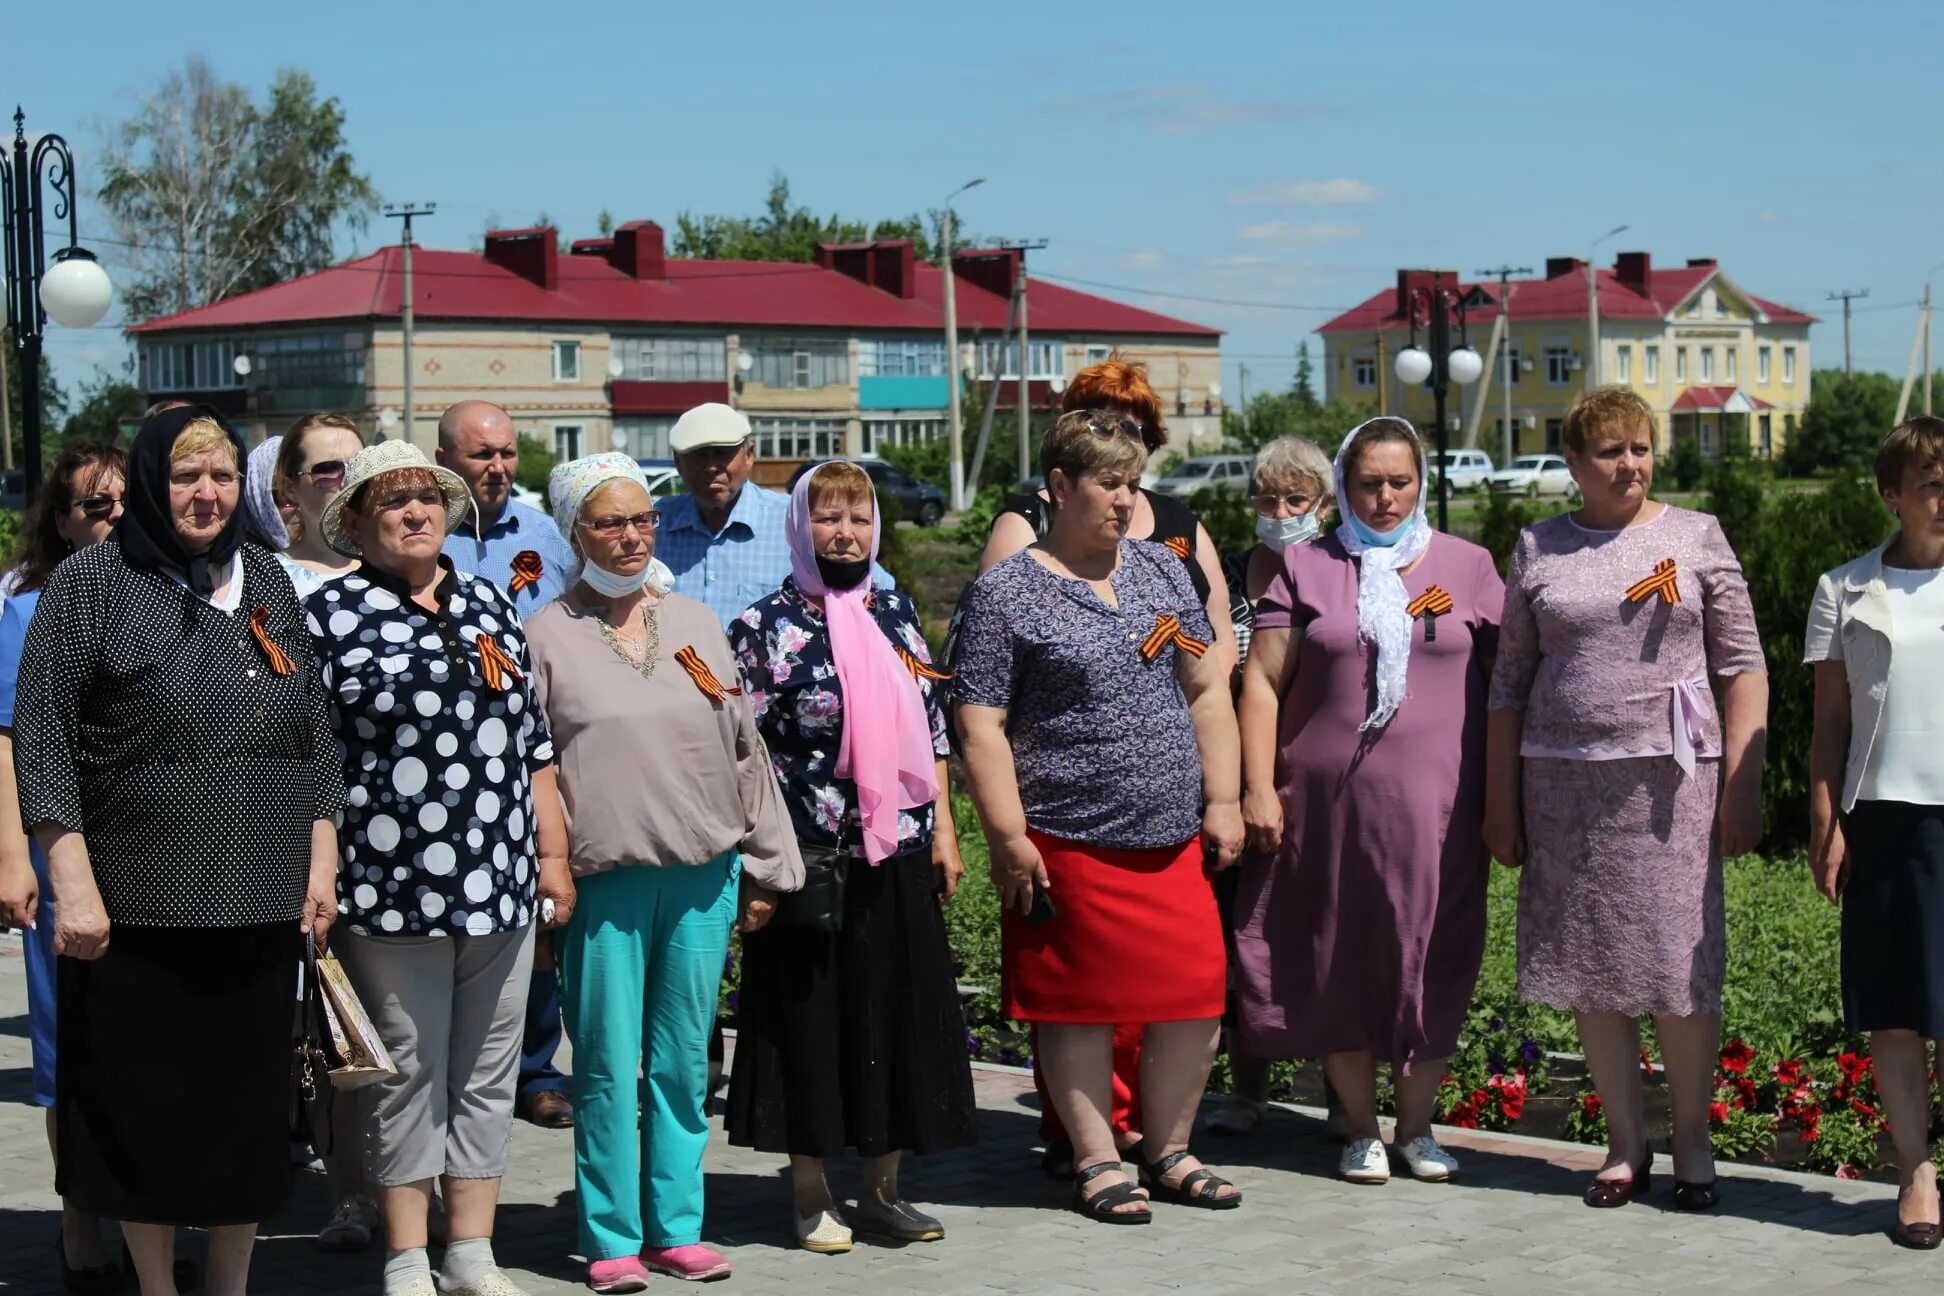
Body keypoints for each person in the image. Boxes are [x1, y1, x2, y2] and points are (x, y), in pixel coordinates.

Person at [12, 405, 344, 1296]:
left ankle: (229, 1284)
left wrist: (321, 858)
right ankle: (157, 1287)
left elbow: (315, 734)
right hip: (135, 909)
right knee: (144, 1116)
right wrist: (69, 880)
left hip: (259, 904)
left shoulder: (267, 581)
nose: (206, 494)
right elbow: (42, 738)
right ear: (154, 485)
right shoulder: (91, 583)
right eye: (186, 476)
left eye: (223, 477)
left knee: (242, 1119)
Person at [955, 409, 1244, 1225]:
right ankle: (1095, 1158)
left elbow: (1204, 691)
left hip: (1169, 837)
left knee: (1194, 999)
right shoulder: (1008, 590)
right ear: (1058, 487)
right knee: (1076, 1005)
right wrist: (1008, 840)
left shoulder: (1159, 572)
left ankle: (1170, 1149)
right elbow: (980, 723)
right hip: (1066, 839)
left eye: (1133, 484)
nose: (1125, 500)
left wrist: (1221, 798)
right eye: (1108, 484)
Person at [1484, 386, 1767, 1213]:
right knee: (1591, 965)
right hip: (1562, 782)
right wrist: (1501, 803)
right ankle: (1622, 1142)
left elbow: (1743, 665)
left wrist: (1742, 787)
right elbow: (1508, 682)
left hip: (1670, 784)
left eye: (1640, 448)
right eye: (1610, 451)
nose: (1629, 464)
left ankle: (1690, 1137)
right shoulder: (1539, 546)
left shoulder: (1695, 535)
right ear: (1572, 465)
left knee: (1679, 962)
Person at [525, 453, 803, 1291]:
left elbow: (743, 749)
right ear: (576, 533)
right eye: (609, 522)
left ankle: (676, 1226)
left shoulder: (694, 622)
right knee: (607, 1064)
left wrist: (764, 865)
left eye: (642, 518)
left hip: (702, 876)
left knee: (684, 1061)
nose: (630, 536)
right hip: (603, 884)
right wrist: (547, 881)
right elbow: (529, 770)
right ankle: (610, 1235)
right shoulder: (546, 633)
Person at [306, 440, 572, 1296]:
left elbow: (533, 746)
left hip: (500, 881)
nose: (416, 512)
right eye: (393, 500)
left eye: (427, 497)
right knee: (405, 1074)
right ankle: (407, 1256)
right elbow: (307, 761)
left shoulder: (492, 604)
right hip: (390, 890)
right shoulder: (330, 617)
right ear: (354, 521)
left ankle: (472, 1252)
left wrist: (554, 858)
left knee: (488, 1073)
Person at [1234, 418, 1502, 1184]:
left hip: (1442, 811)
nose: (1384, 499)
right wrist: (1258, 786)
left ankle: (1417, 1129)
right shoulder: (1309, 567)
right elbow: (1261, 682)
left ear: (1420, 483)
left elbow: (1509, 686)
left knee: (1438, 954)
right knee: (1339, 954)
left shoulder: (1469, 566)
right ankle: (1358, 1127)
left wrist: (1509, 800)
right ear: (1343, 489)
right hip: (1327, 808)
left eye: (1400, 482)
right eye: (1368, 484)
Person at [725, 461, 976, 1253]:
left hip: (894, 850)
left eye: (859, 518)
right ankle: (809, 1192)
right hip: (808, 858)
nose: (846, 533)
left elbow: (932, 725)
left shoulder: (893, 609)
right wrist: (760, 860)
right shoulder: (762, 626)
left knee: (892, 1014)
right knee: (811, 1021)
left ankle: (882, 1189)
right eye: (829, 518)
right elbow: (738, 752)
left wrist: (942, 831)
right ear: (801, 528)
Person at [1805, 415, 1944, 1248]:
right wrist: (1827, 820)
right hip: (1885, 819)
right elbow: (1828, 721)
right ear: (1893, 495)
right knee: (1896, 1010)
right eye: (1930, 485)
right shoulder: (1844, 589)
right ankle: (1916, 1178)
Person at [0, 439, 128, 1293]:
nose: (113, 518)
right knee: (70, 1051)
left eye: (125, 502)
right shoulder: (28, 608)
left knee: (144, 1050)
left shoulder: (179, 595)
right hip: (61, 857)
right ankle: (83, 1232)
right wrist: (15, 853)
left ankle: (148, 1220)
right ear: (62, 519)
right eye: (95, 505)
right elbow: (8, 741)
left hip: (158, 856)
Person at [436, 399, 580, 1132]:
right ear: (445, 460)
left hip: (533, 752)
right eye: (479, 455)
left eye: (505, 454)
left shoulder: (542, 533)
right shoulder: (424, 533)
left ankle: (536, 1069)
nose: (495, 468)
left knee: (539, 919)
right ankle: (453, 1064)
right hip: (445, 764)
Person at [1206, 434, 1335, 1139]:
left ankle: (1347, 1100)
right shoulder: (1222, 578)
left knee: (1328, 935)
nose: (1279, 510)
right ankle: (1246, 1090)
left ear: (1323, 503)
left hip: (1320, 779)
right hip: (1231, 779)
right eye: (1267, 497)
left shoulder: (1344, 573)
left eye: (1295, 498)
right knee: (1238, 936)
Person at [655, 402, 891, 629]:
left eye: (723, 453)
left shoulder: (794, 522)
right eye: (699, 455)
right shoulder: (653, 527)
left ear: (749, 455)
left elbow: (876, 588)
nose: (711, 466)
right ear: (677, 462)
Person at [272, 412, 366, 597]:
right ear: (290, 488)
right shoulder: (270, 579)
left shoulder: (395, 566)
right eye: (328, 470)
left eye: (359, 466)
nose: (348, 481)